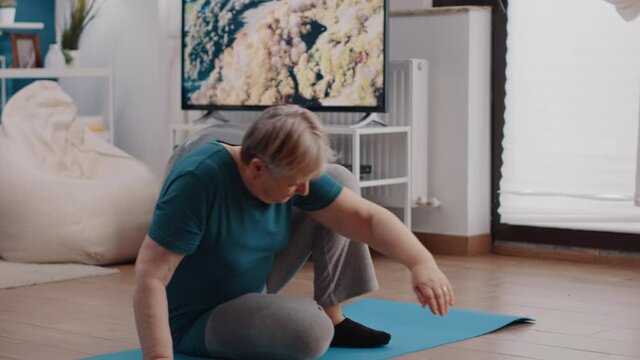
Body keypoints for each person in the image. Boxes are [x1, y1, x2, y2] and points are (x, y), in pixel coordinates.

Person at [133, 105, 455, 360]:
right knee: (309, 332)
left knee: (339, 180)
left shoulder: (280, 174)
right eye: (292, 182)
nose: (303, 190)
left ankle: (334, 316)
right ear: (257, 167)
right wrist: (159, 355)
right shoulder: (198, 181)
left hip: (251, 282)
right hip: (197, 317)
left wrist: (421, 263)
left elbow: (365, 219)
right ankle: (315, 322)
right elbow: (150, 275)